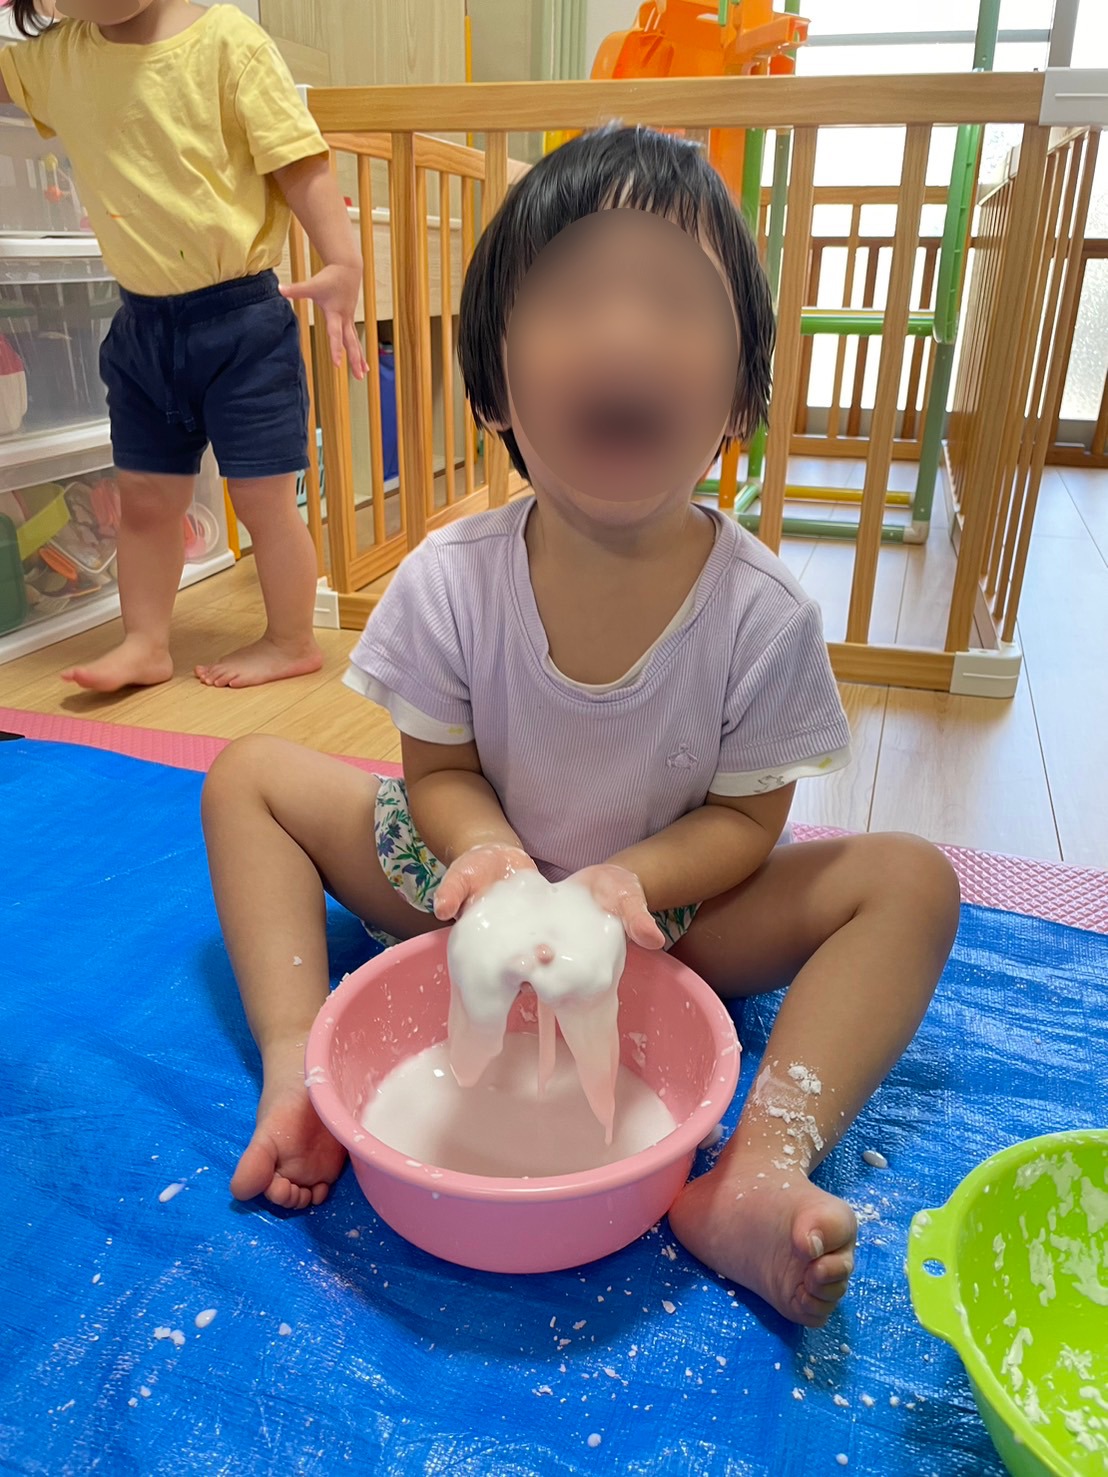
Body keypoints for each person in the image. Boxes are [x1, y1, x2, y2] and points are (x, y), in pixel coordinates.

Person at [201, 125, 960, 1328]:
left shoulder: (762, 615)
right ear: (494, 386)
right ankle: (300, 1069)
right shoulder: (450, 577)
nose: (621, 334)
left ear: (741, 394)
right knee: (246, 772)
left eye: (673, 298)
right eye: (568, 298)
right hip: (454, 885)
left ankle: (757, 1168)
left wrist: (630, 882)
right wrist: (489, 857)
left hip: (668, 925)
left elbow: (747, 819)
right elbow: (438, 770)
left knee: (910, 881)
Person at [0, 0, 367, 690]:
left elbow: (299, 161)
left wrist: (342, 260)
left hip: (243, 322)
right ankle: (145, 641)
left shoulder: (227, 42)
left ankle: (291, 639)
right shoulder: (59, 56)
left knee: (262, 500)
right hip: (141, 326)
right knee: (145, 499)